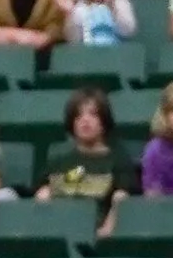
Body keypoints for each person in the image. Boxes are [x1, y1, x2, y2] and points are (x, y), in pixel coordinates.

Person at [39, 92, 133, 220]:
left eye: (93, 114)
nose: (85, 120)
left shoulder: (118, 159)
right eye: (78, 116)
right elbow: (43, 189)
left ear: (104, 121)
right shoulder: (58, 158)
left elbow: (122, 200)